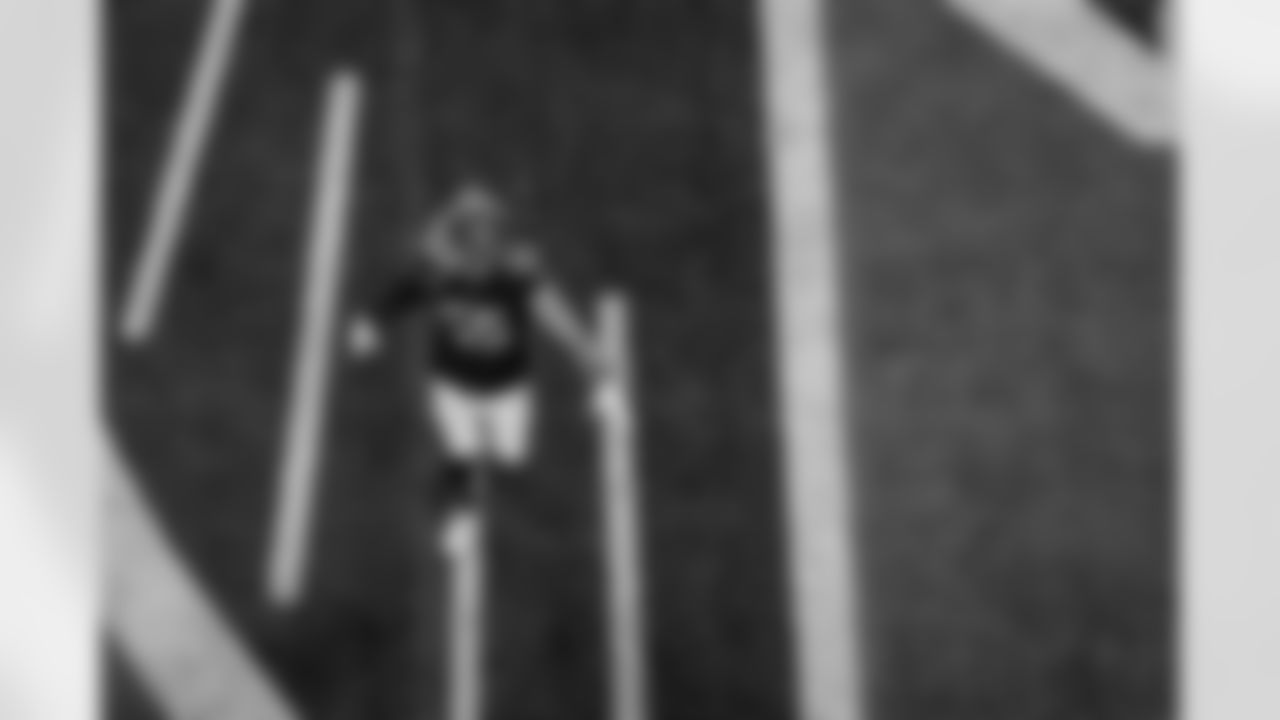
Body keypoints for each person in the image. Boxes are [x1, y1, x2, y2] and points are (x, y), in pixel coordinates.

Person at [348, 181, 610, 551]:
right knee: (460, 452)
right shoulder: (439, 268)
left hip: (508, 386)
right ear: (458, 241)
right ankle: (458, 513)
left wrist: (596, 370)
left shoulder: (517, 274)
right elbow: (405, 291)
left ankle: (469, 487)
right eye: (473, 242)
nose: (481, 256)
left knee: (512, 456)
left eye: (489, 241)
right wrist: (374, 322)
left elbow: (558, 320)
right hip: (453, 383)